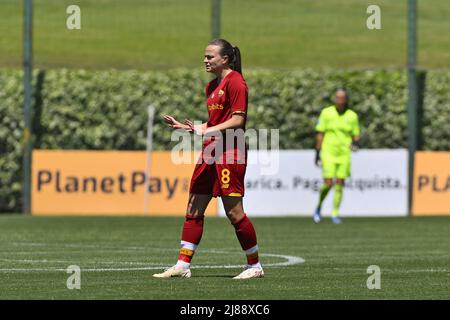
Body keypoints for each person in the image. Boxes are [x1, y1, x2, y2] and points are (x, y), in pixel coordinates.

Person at [153, 39, 264, 279]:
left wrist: (206, 131)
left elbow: (238, 121)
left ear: (224, 59)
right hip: (210, 151)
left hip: (230, 152)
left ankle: (254, 266)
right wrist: (189, 127)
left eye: (210, 56)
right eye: (205, 56)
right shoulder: (212, 86)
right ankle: (183, 265)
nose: (205, 60)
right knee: (194, 206)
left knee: (234, 213)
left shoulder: (236, 82)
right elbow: (214, 124)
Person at [313, 88, 360, 224]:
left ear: (346, 99)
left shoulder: (352, 116)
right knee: (328, 183)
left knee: (340, 183)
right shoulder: (326, 113)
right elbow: (320, 133)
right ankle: (319, 207)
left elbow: (356, 135)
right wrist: (317, 152)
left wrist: (356, 143)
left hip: (344, 154)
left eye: (342, 98)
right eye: (337, 97)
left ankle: (335, 213)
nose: (339, 100)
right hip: (329, 152)